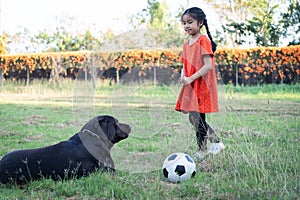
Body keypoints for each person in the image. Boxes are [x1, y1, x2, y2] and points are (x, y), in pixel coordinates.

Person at [175, 7, 225, 159]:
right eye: (184, 23)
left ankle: (207, 148)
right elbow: (185, 64)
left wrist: (191, 78)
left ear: (200, 23)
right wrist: (184, 76)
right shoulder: (186, 44)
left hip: (202, 84)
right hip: (190, 84)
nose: (186, 26)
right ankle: (211, 145)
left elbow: (208, 65)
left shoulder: (204, 41)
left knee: (198, 117)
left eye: (190, 22)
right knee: (193, 117)